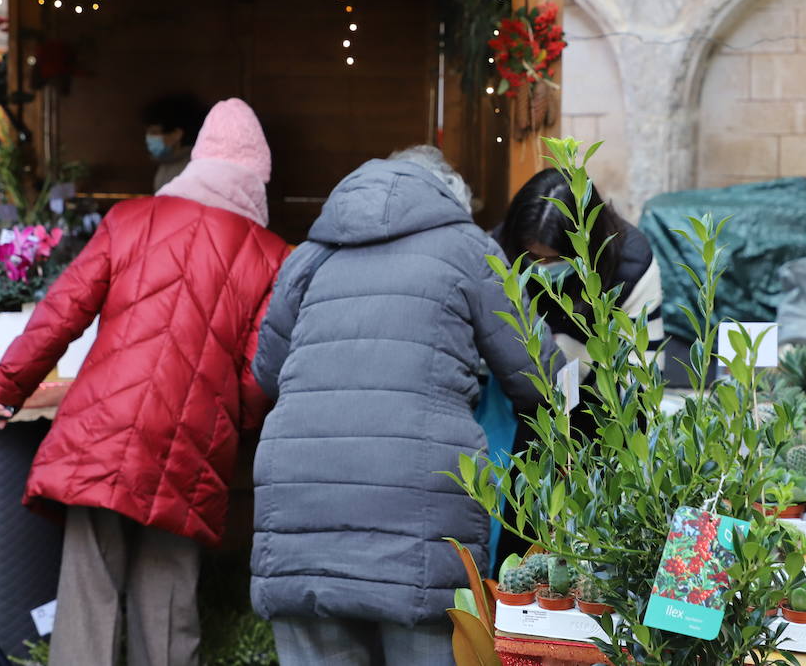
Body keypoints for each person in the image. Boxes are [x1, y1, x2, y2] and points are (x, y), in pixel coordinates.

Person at [0, 98, 289, 666]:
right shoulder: (272, 257)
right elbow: (261, 371)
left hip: (104, 427)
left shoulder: (130, 219)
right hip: (192, 439)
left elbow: (61, 312)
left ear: (198, 160)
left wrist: (3, 387)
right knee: (168, 604)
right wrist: (228, 419)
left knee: (88, 596)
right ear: (258, 177)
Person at [250, 145, 544, 666]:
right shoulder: (468, 247)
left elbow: (266, 373)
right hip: (420, 515)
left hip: (301, 506)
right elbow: (537, 376)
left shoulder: (310, 256)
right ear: (449, 199)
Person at [490, 168, 664, 562]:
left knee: (599, 547)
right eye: (530, 257)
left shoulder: (630, 260)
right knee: (522, 533)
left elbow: (640, 376)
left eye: (552, 260)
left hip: (603, 405)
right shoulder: (498, 251)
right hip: (525, 404)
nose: (540, 267)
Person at [141, 93, 206, 190]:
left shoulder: (189, 170)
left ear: (176, 134)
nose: (148, 138)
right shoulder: (166, 164)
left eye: (154, 132)